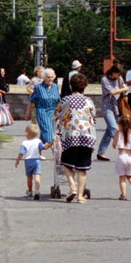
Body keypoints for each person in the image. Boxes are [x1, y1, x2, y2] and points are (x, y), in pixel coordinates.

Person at [55, 72, 96, 203]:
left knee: (67, 164)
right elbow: (93, 116)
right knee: (82, 168)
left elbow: (58, 116)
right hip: (87, 136)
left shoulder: (65, 100)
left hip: (70, 137)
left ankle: (72, 187)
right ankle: (80, 196)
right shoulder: (88, 101)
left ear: (71, 85)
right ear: (84, 86)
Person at [97, 64, 128, 162]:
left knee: (108, 130)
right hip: (107, 108)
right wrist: (124, 89)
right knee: (114, 129)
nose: (118, 76)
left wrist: (125, 91)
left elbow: (124, 91)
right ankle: (123, 150)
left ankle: (101, 152)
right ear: (112, 72)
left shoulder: (119, 79)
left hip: (116, 107)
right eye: (116, 74)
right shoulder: (104, 80)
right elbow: (112, 92)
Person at [15, 122, 46, 200]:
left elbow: (21, 153)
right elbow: (43, 147)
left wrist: (17, 160)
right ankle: (37, 190)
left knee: (29, 177)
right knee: (37, 175)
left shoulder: (24, 143)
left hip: (28, 161)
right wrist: (49, 144)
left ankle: (29, 190)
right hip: (36, 160)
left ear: (27, 134)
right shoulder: (38, 141)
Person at [114, 113, 131, 200]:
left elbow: (114, 145)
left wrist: (115, 137)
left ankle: (123, 195)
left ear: (120, 125)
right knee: (130, 176)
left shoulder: (118, 135)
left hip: (121, 157)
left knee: (122, 177)